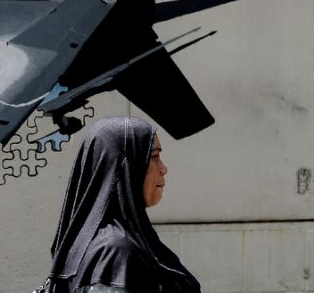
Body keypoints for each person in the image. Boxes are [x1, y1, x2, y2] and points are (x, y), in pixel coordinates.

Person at [47, 116, 201, 293]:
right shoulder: (113, 252)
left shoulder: (129, 240)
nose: (163, 168)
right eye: (154, 156)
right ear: (125, 167)